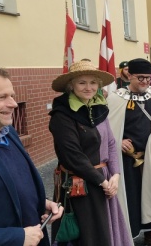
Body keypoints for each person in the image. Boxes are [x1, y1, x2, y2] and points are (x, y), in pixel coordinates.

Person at [0, 66, 63, 246]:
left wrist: (40, 202)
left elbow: (7, 187)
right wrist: (17, 238)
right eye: (1, 97)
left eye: (12, 96)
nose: (13, 104)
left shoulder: (9, 133)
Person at [49, 60, 133, 246]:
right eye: (82, 82)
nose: (89, 87)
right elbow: (73, 156)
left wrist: (116, 175)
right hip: (81, 184)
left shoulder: (98, 108)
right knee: (89, 235)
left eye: (93, 82)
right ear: (71, 86)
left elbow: (111, 143)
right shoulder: (62, 116)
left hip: (104, 180)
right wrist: (103, 182)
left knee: (107, 231)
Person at [107, 58, 151, 245]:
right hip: (126, 158)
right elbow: (106, 126)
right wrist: (117, 140)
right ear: (129, 75)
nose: (145, 82)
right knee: (130, 195)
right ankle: (126, 235)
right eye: (140, 78)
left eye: (148, 78)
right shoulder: (116, 98)